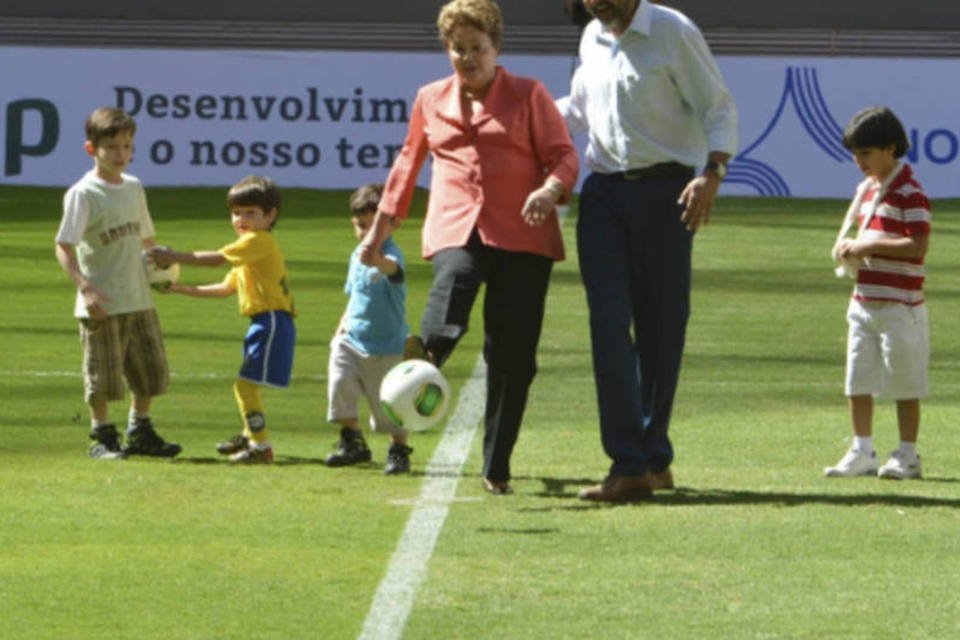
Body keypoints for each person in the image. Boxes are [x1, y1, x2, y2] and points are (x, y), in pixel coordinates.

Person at [359, 0, 579, 495]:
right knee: (453, 280)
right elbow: (406, 167)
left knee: (513, 357)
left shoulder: (529, 94)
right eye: (457, 50)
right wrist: (375, 235)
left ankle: (496, 465)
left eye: (477, 48)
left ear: (496, 47)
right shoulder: (430, 98)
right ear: (447, 51)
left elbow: (563, 155)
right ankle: (421, 363)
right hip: (459, 227)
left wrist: (548, 191)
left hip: (525, 234)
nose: (467, 59)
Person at [559, 0, 738, 501]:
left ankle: (653, 456)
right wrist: (519, 113)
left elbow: (718, 108)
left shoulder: (673, 31)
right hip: (604, 195)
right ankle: (628, 460)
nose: (596, 3)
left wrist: (713, 173)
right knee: (609, 323)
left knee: (662, 327)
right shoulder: (592, 36)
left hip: (667, 193)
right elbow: (578, 109)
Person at [54, 107, 182, 460]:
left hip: (138, 297)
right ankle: (102, 436)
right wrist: (85, 287)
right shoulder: (84, 193)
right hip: (102, 301)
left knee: (150, 372)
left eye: (126, 146)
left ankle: (139, 429)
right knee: (103, 376)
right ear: (91, 149)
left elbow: (146, 239)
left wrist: (161, 267)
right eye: (111, 146)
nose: (120, 154)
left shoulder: (133, 187)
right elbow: (63, 245)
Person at [150, 175, 296, 464]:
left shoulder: (258, 241)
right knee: (247, 383)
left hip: (272, 322)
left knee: (245, 385)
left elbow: (216, 259)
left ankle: (261, 446)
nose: (241, 218)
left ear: (270, 216)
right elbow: (225, 288)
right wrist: (181, 289)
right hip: (263, 323)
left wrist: (173, 256)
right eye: (236, 212)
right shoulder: (248, 251)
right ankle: (249, 435)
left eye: (250, 213)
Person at [824, 106, 931, 480]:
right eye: (855, 154)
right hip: (864, 302)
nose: (858, 162)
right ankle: (862, 450)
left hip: (901, 306)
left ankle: (908, 455)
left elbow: (917, 245)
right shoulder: (867, 192)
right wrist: (849, 249)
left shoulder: (910, 193)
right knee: (857, 378)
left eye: (866, 154)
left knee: (905, 382)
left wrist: (866, 247)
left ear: (890, 149)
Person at [324, 184, 414, 475]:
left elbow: (394, 272)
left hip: (387, 346)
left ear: (394, 223)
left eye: (373, 226)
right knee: (340, 386)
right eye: (361, 226)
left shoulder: (390, 255)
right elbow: (355, 297)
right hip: (351, 339)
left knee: (389, 404)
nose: (366, 233)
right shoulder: (356, 256)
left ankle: (399, 449)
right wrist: (340, 329)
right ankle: (353, 441)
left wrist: (379, 261)